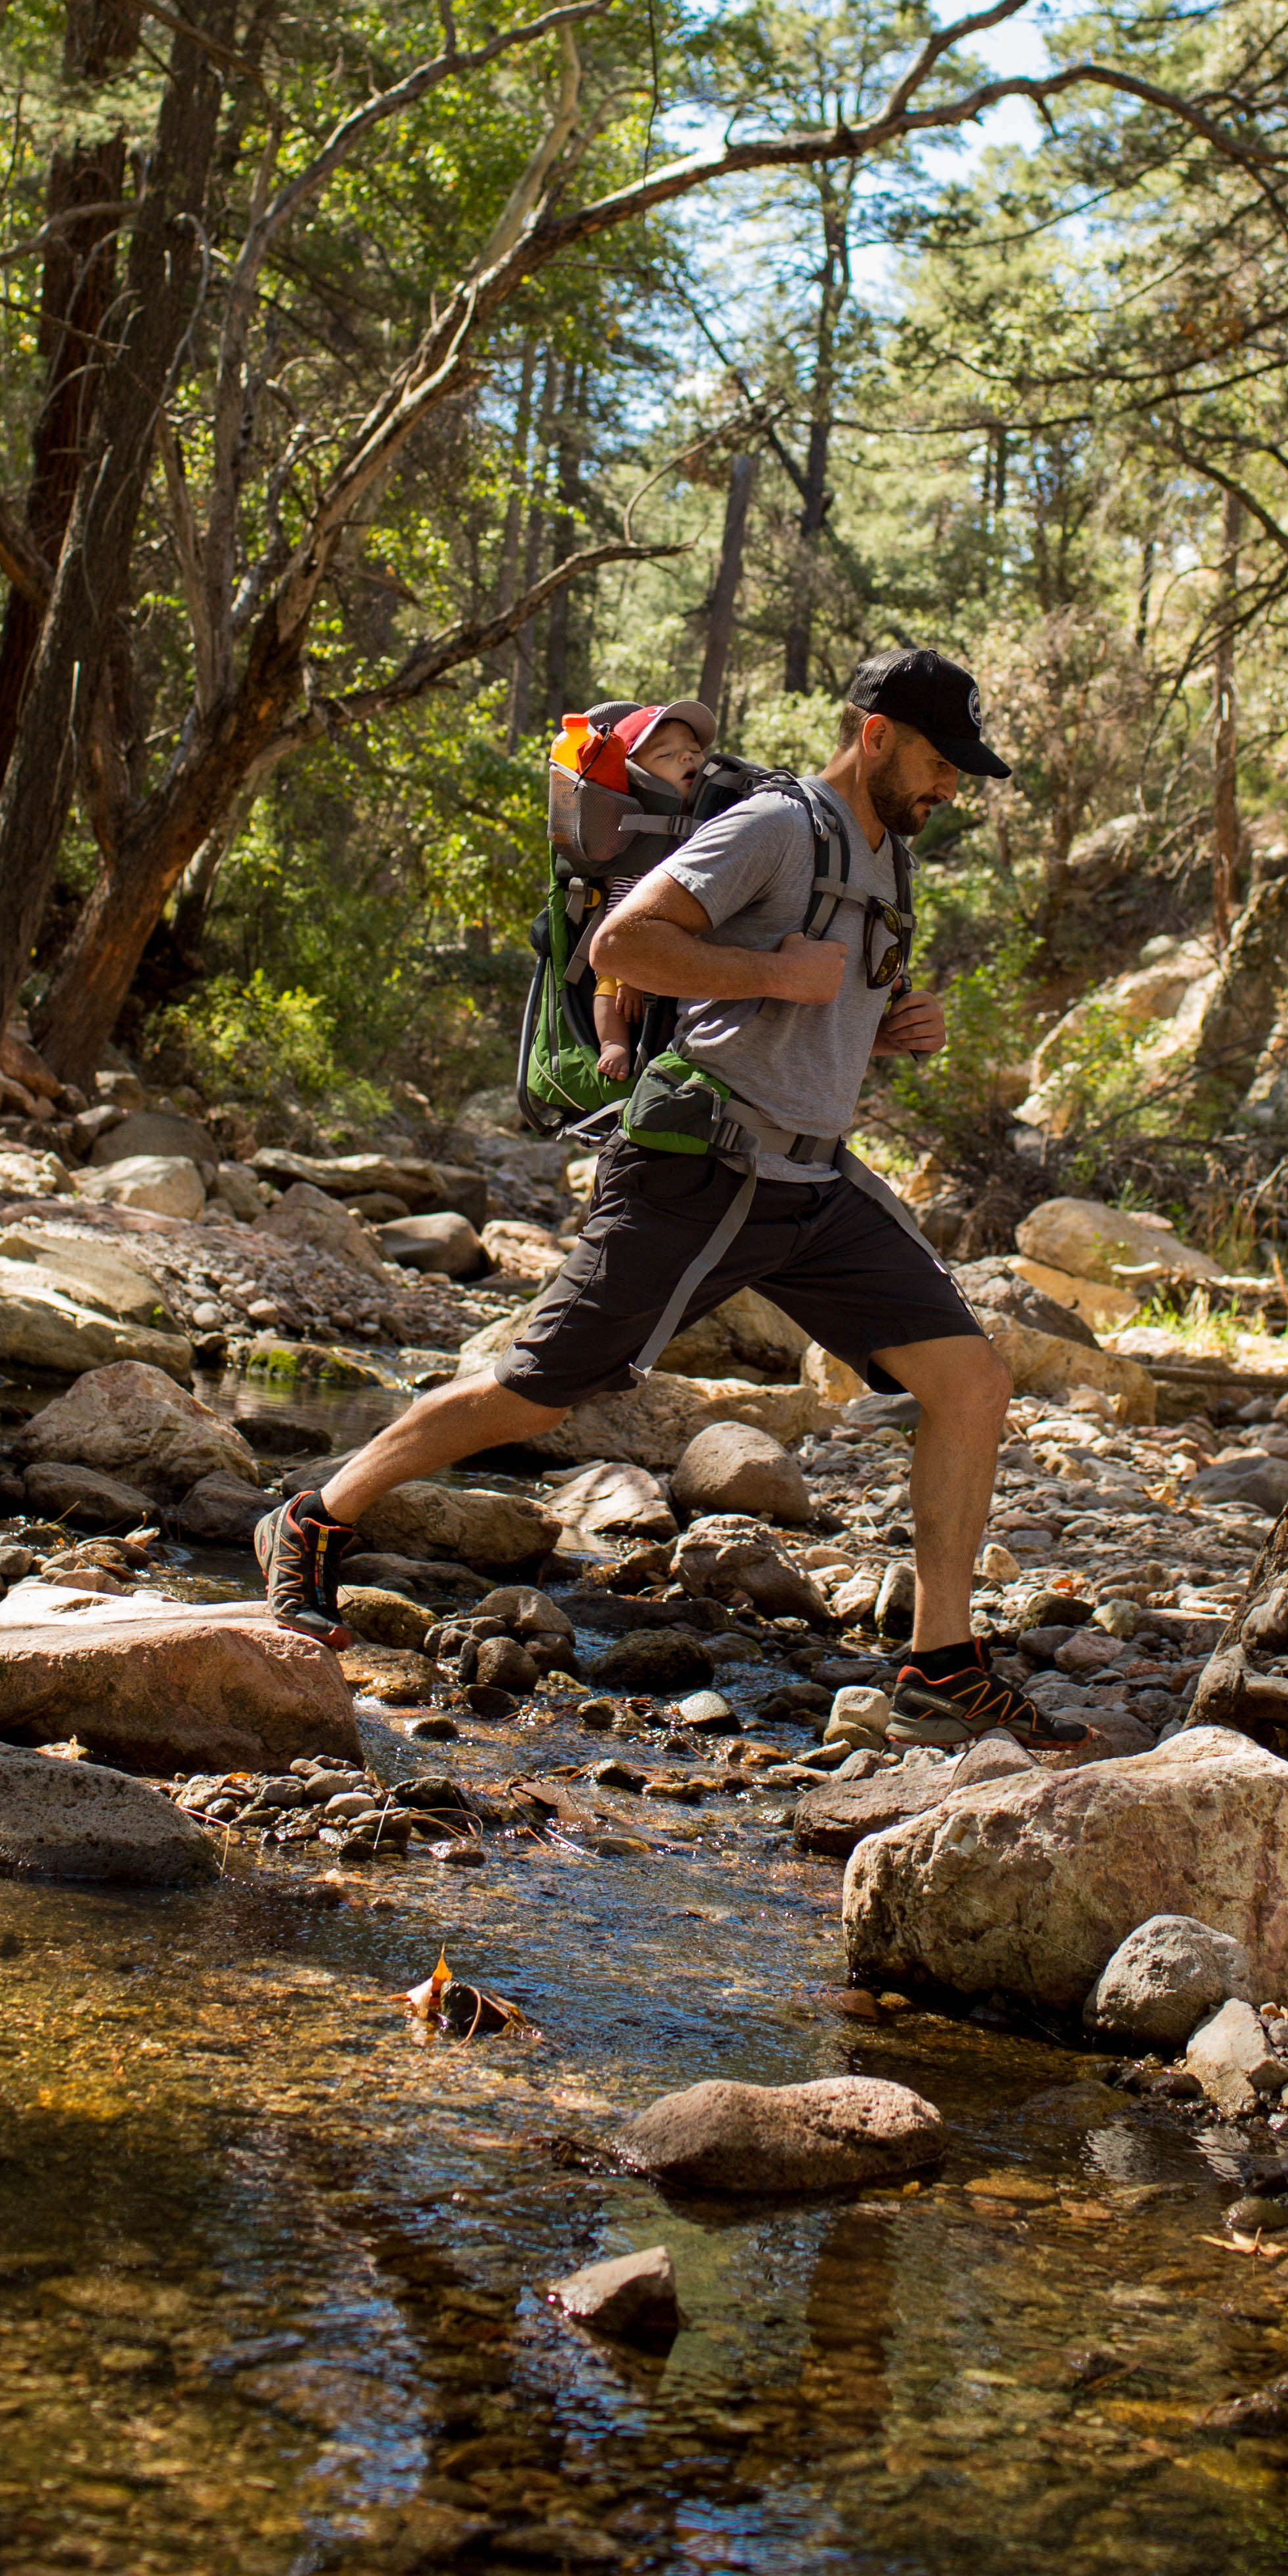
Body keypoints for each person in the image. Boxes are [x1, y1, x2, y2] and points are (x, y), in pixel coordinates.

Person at [256, 645, 1070, 1749]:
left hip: (812, 1179)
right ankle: (314, 1516)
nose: (950, 786)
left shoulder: (890, 860)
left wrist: (879, 1032)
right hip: (700, 1167)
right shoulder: (777, 828)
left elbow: (805, 1014)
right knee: (538, 1394)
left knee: (970, 1379)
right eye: (937, 760)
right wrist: (780, 977)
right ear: (873, 733)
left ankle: (940, 1656)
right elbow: (622, 942)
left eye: (961, 769)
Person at [583, 701, 710, 1080]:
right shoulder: (641, 841)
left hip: (686, 956)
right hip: (628, 955)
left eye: (695, 749)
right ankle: (613, 1044)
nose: (687, 755)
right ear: (638, 775)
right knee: (606, 987)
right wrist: (631, 977)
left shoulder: (716, 822)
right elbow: (622, 917)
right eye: (667, 754)